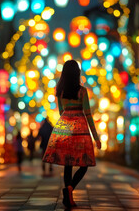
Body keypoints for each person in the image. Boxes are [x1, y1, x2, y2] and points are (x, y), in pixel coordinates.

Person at [42, 59, 101, 208]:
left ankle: (68, 195)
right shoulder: (82, 91)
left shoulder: (60, 91)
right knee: (85, 163)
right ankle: (70, 188)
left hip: (64, 128)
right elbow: (88, 114)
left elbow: (61, 112)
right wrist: (96, 137)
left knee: (67, 164)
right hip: (80, 130)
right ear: (77, 73)